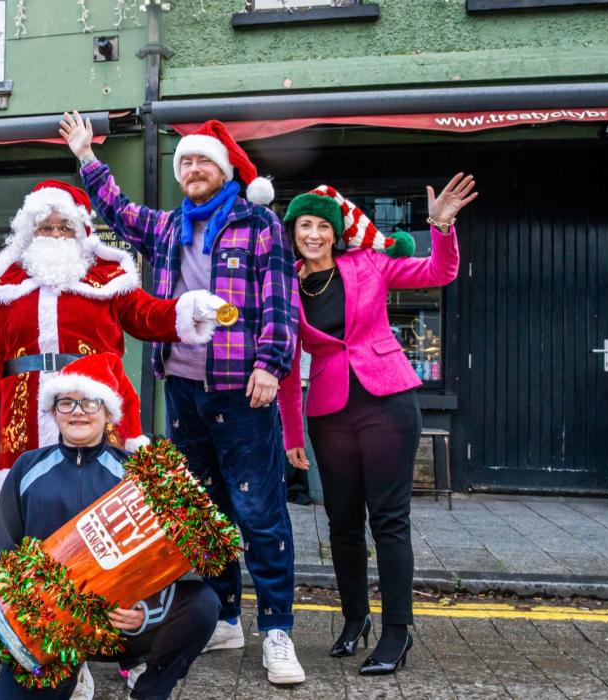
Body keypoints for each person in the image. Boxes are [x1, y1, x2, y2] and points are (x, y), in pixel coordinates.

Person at [60, 114, 305, 685]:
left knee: (259, 513)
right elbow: (120, 210)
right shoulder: (170, 227)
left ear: (222, 171)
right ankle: (225, 617)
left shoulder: (258, 221)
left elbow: (281, 301)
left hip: (244, 388)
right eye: (186, 163)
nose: (193, 170)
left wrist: (270, 366)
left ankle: (278, 629)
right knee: (205, 514)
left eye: (203, 162)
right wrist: (85, 157)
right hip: (185, 389)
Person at [278, 176, 477, 675]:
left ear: (336, 232)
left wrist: (442, 226)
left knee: (388, 520)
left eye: (323, 225)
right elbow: (284, 361)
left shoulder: (368, 263)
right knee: (342, 525)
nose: (315, 234)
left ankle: (396, 633)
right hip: (329, 409)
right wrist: (290, 434)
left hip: (388, 400)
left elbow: (438, 271)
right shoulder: (284, 286)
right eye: (306, 224)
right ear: (294, 231)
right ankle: (354, 619)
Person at [0, 179, 227, 496]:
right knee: (29, 505)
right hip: (24, 416)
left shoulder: (106, 278)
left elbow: (146, 315)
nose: (54, 235)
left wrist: (189, 308)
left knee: (100, 503)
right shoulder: (6, 285)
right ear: (30, 233)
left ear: (80, 231)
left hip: (93, 404)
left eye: (63, 227)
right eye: (45, 228)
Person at [0, 352, 221, 700]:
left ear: (108, 413)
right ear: (54, 411)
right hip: (54, 628)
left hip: (118, 628)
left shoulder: (139, 476)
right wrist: (18, 624)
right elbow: (3, 554)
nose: (78, 411)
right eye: (66, 402)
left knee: (203, 604)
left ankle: (149, 692)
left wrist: (145, 610)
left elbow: (174, 562)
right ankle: (71, 673)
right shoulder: (27, 469)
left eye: (90, 402)